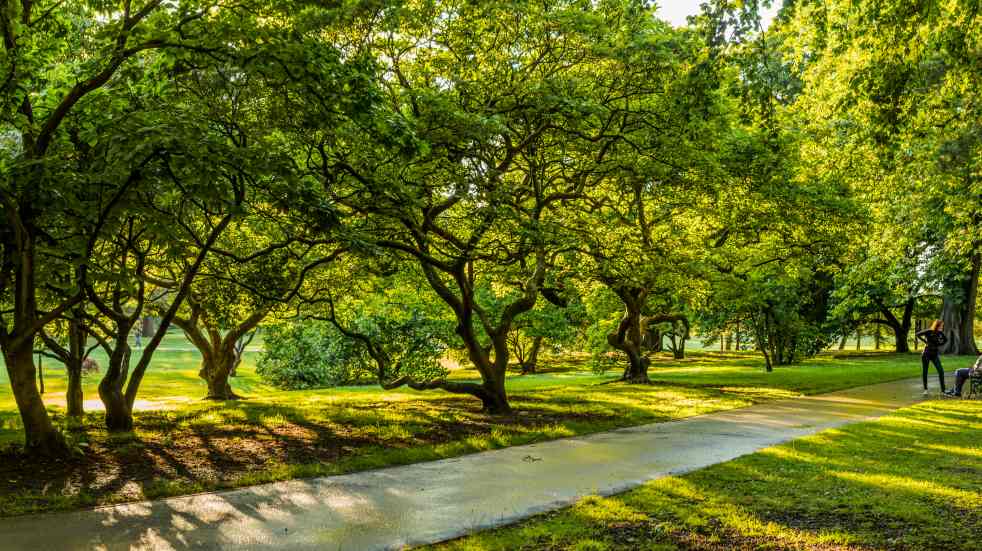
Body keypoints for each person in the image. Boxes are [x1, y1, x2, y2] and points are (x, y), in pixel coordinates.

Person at [915, 320, 947, 396]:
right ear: (937, 325)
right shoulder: (929, 331)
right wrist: (925, 342)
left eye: (942, 325)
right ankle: (925, 390)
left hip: (935, 354)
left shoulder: (940, 333)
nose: (942, 327)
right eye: (941, 325)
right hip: (926, 354)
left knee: (941, 371)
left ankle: (943, 391)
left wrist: (939, 343)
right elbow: (917, 334)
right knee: (925, 372)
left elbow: (945, 340)